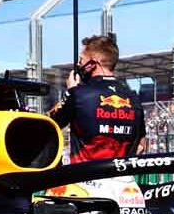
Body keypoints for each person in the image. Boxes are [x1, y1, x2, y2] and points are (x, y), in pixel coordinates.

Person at [47, 34, 144, 162]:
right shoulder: (134, 98)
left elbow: (48, 123)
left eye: (81, 60)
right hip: (124, 178)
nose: (78, 64)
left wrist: (70, 92)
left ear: (93, 63)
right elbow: (141, 146)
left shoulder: (79, 94)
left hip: (84, 178)